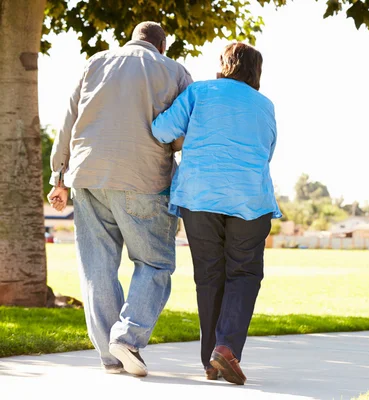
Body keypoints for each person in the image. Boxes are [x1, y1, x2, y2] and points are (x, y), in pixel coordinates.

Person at [48, 21, 192, 377]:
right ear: (162, 45)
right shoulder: (175, 71)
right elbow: (184, 130)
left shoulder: (95, 62)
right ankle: (127, 339)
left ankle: (111, 359)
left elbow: (69, 120)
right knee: (155, 263)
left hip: (87, 176)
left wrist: (58, 178)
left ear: (131, 39)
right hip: (143, 176)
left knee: (97, 267)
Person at [151, 42, 281, 385]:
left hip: (199, 196)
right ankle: (225, 348)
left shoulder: (199, 92)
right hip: (250, 200)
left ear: (224, 64)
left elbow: (162, 130)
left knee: (209, 277)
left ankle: (211, 361)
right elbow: (267, 151)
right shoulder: (265, 105)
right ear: (256, 72)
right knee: (244, 274)